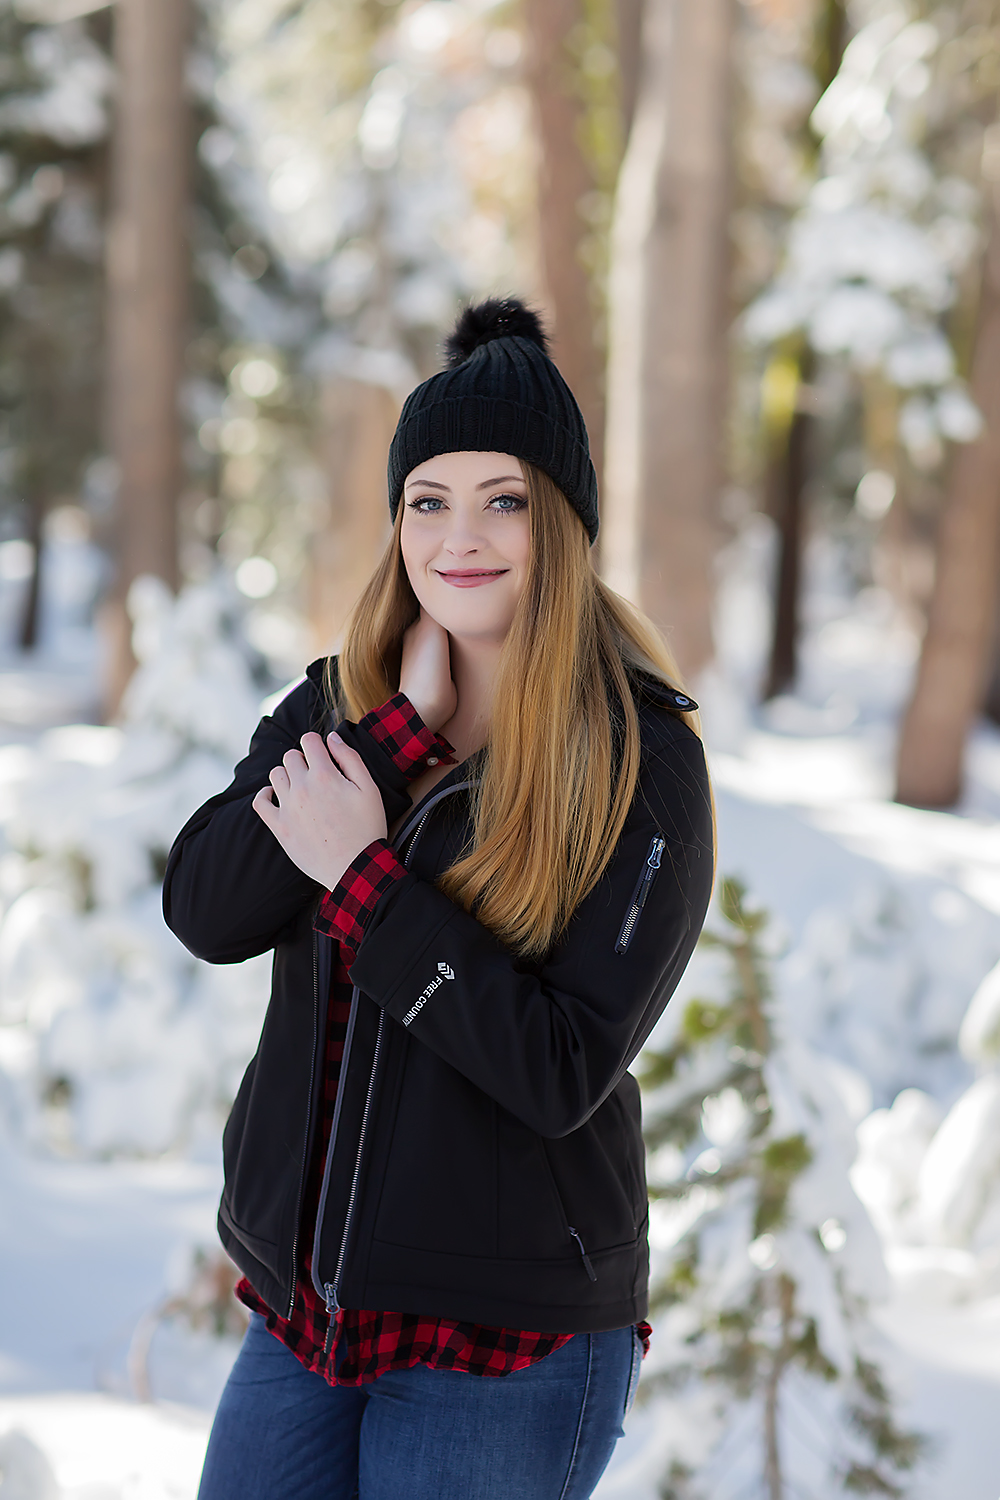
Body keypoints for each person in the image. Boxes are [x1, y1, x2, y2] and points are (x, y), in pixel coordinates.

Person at [163, 298, 714, 1500]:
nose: (459, 537)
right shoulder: (340, 705)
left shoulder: (638, 758)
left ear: (559, 523)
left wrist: (366, 879)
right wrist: (393, 737)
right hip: (310, 1320)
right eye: (429, 500)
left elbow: (561, 1067)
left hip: (506, 1342)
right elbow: (205, 910)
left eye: (502, 500)